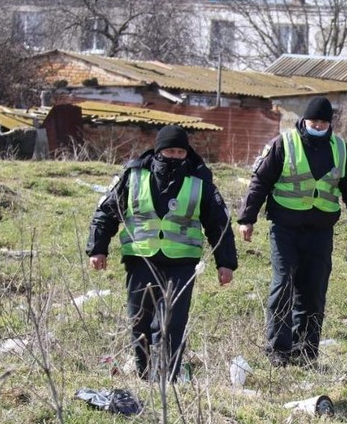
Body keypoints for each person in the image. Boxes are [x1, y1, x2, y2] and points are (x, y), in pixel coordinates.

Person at [87, 125, 238, 382]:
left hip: (181, 263)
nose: (175, 156)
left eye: (180, 152)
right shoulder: (132, 175)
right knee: (140, 321)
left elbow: (219, 225)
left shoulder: (201, 181)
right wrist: (97, 248)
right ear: (158, 151)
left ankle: (167, 377)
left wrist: (226, 263)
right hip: (140, 258)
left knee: (172, 323)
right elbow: (106, 212)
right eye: (170, 151)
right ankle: (145, 374)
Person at [238, 96, 347, 368]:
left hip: (320, 233)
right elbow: (260, 182)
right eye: (314, 122)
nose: (319, 126)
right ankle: (278, 351)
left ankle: (306, 351)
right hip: (285, 229)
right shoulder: (284, 143)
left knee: (313, 292)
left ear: (329, 124)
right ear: (304, 121)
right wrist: (247, 219)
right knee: (283, 285)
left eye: (324, 122)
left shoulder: (341, 149)